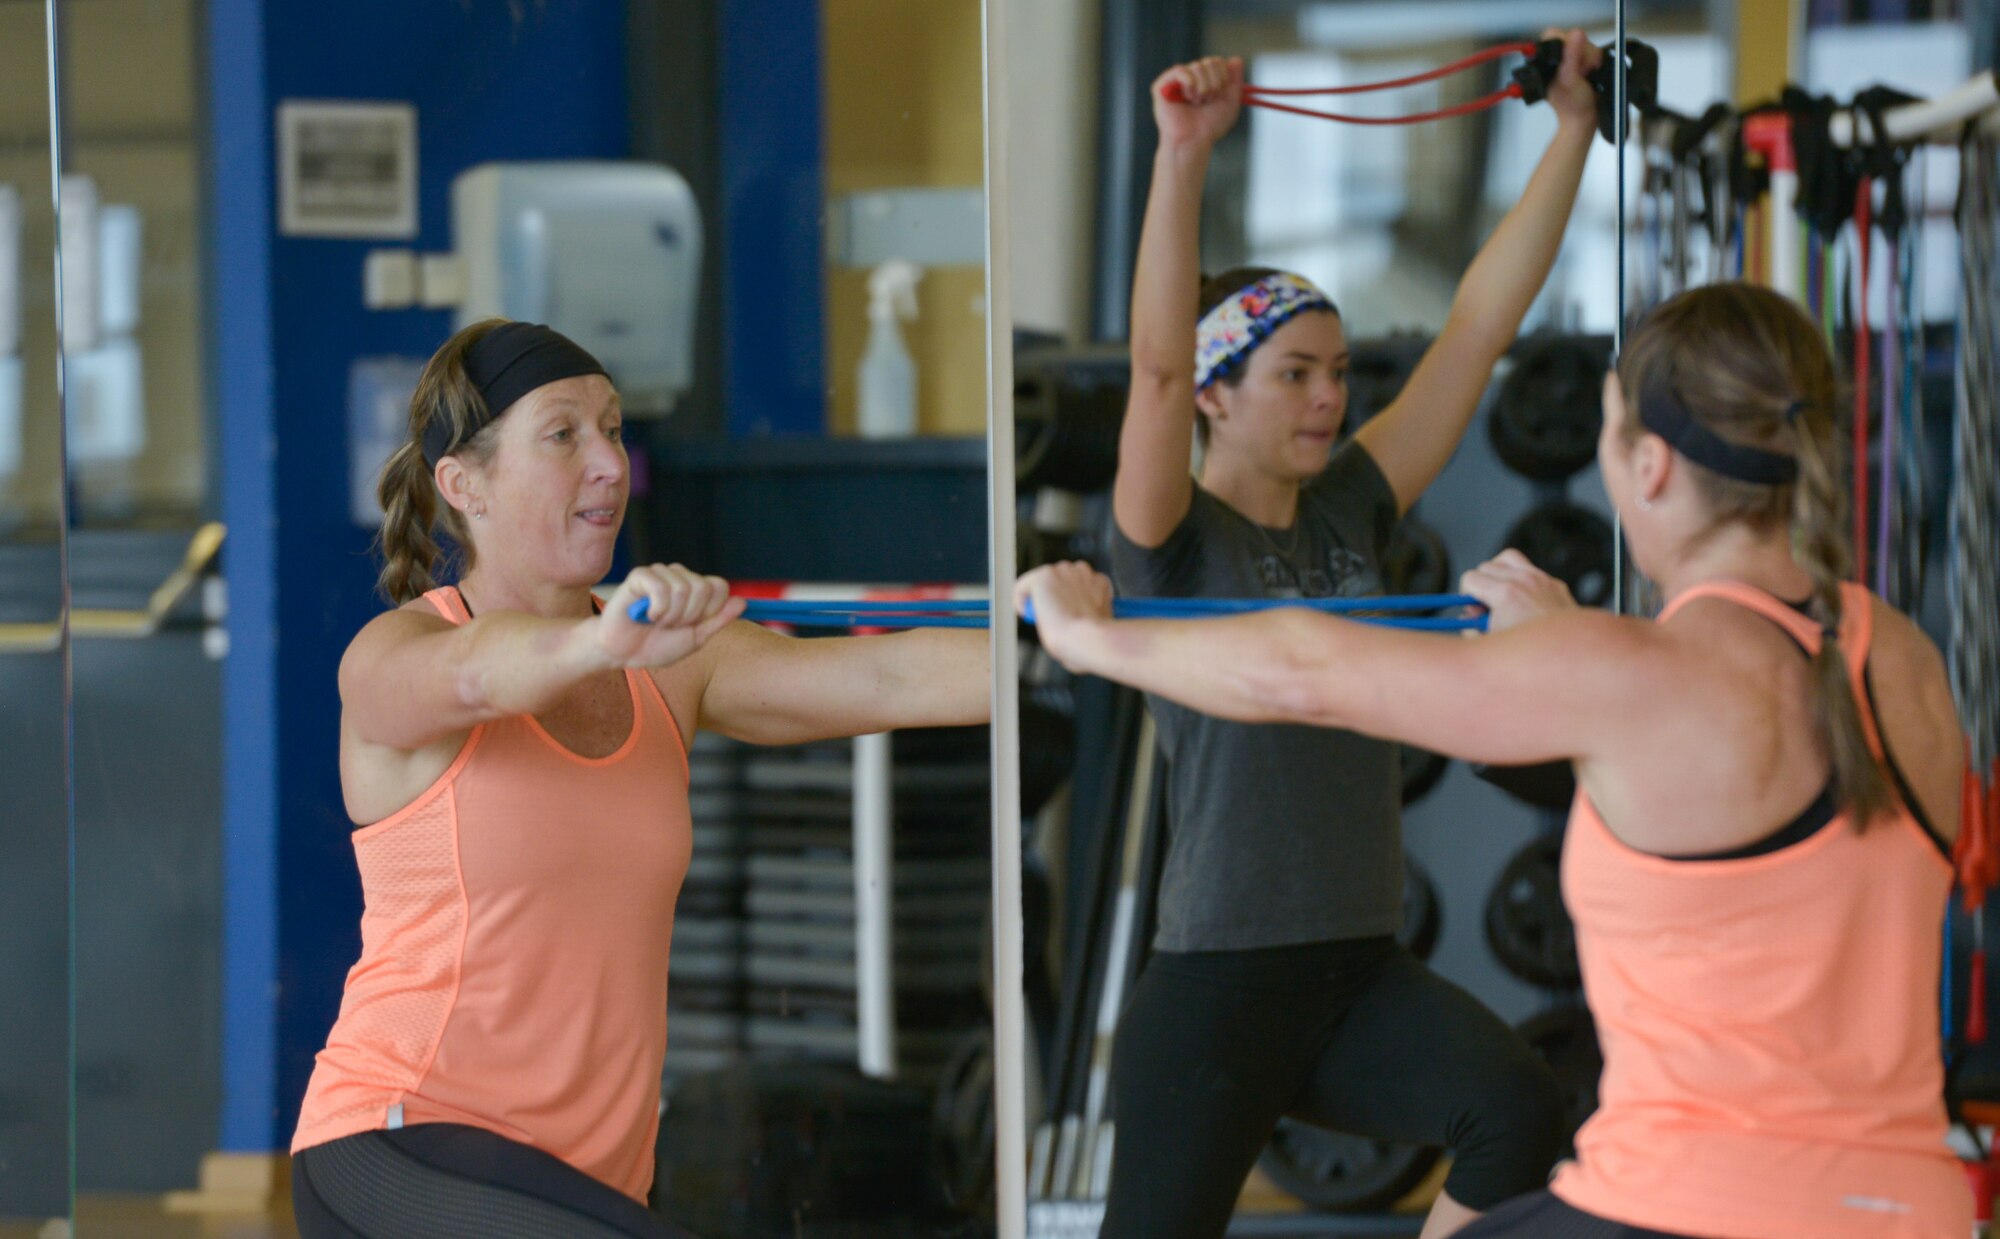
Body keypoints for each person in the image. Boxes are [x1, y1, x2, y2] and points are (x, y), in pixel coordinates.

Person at [1021, 281, 1972, 1239]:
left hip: (1684, 1208)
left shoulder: (1621, 670)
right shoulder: (1901, 657)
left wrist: (1089, 638)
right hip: (1912, 1209)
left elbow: (1306, 672)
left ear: (1647, 467)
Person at [288, 320, 991, 1238]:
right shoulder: (397, 651)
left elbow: (891, 676)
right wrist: (597, 641)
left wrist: (1081, 640)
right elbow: (474, 673)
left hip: (588, 1185)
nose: (610, 463)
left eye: (614, 430)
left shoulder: (669, 662)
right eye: (564, 434)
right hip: (399, 1142)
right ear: (464, 485)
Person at [1091, 32, 1602, 1239]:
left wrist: (1571, 132)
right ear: (1221, 394)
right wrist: (1179, 160)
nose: (1330, 397)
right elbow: (1155, 372)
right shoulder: (1168, 534)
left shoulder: (1352, 504)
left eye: (1336, 373)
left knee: (1514, 1110)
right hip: (1217, 985)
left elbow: (1474, 328)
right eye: (1295, 375)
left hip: (1358, 967)